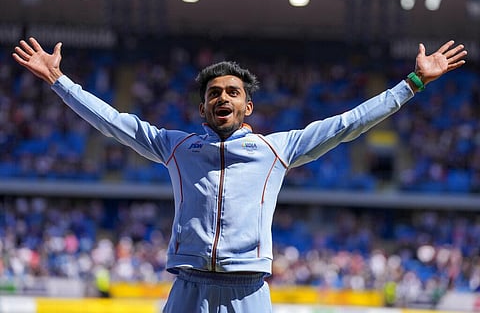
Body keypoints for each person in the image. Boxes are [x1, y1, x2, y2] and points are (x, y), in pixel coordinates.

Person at [12, 37, 467, 313]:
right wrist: (59, 82)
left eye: (232, 92)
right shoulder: (176, 147)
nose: (222, 97)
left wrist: (413, 83)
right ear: (203, 107)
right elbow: (114, 122)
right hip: (187, 287)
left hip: (249, 292)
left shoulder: (276, 149)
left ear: (247, 106)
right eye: (214, 93)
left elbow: (349, 124)